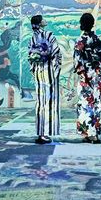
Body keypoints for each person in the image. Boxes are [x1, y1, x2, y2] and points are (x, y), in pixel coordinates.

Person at [74, 13, 101, 144]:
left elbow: (77, 60)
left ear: (81, 23)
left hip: (85, 75)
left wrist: (82, 73)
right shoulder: (96, 39)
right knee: (97, 103)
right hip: (96, 74)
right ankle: (94, 133)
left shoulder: (80, 40)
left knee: (85, 103)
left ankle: (86, 133)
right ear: (93, 23)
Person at [28, 15, 62, 144]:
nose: (44, 20)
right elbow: (56, 53)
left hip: (38, 71)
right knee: (49, 101)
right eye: (42, 19)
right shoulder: (49, 35)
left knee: (40, 102)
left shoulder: (32, 38)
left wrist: (35, 65)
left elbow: (30, 56)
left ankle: (40, 132)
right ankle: (45, 133)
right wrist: (56, 69)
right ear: (40, 23)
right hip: (48, 71)